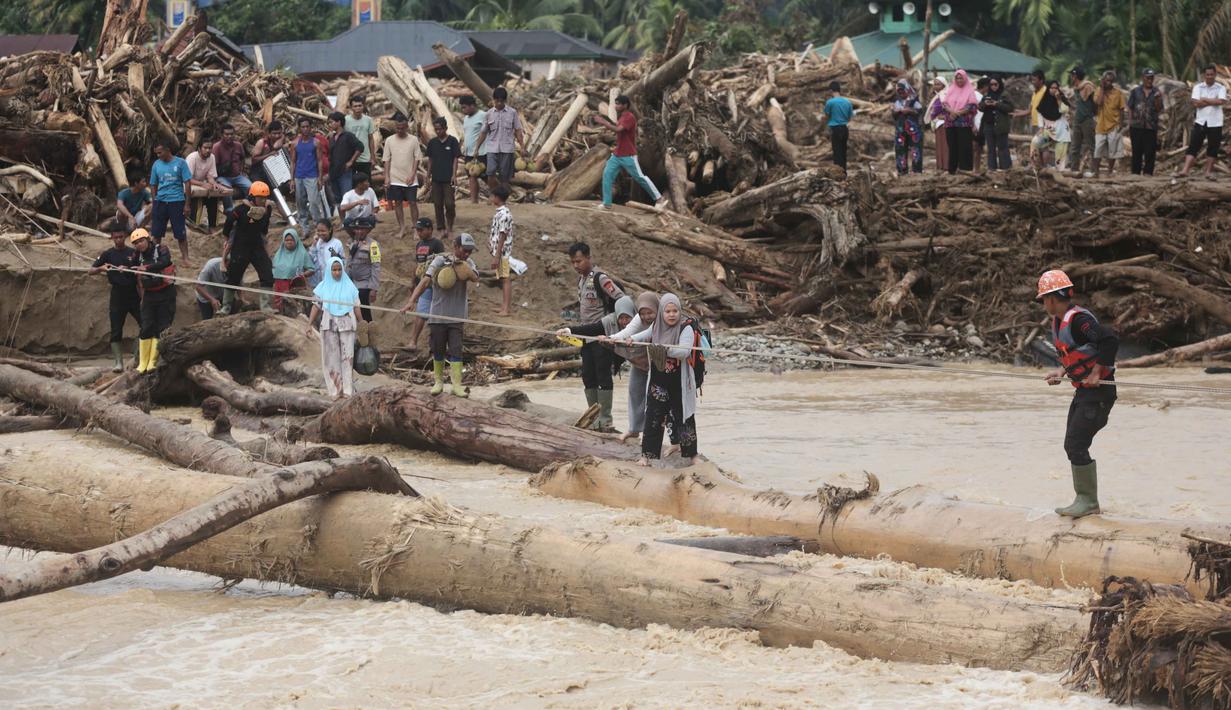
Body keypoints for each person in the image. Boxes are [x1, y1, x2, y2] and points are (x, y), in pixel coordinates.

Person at [1037, 269, 1119, 518]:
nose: (1043, 304)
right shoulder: (1060, 321)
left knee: (1076, 444)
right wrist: (1061, 372)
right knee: (1071, 444)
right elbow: (1075, 353)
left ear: (1051, 298)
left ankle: (1088, 502)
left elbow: (1110, 340)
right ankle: (1085, 500)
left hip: (1099, 394)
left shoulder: (1079, 321)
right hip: (1084, 393)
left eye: (1043, 299)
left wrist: (1096, 373)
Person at [401, 233, 480, 397]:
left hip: (456, 316)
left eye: (469, 251)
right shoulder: (439, 261)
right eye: (464, 250)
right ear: (456, 247)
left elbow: (475, 278)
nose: (467, 254)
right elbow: (425, 281)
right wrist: (411, 301)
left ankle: (456, 385)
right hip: (437, 314)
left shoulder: (469, 263)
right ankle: (438, 382)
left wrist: (464, 268)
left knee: (456, 349)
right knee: (438, 349)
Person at [629, 293, 699, 466]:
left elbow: (684, 352)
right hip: (658, 382)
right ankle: (646, 456)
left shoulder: (686, 328)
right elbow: (643, 335)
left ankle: (692, 455)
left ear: (679, 311)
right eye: (667, 311)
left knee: (684, 417)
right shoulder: (656, 326)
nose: (671, 314)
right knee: (653, 416)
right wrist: (630, 339)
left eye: (675, 310)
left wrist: (663, 350)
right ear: (662, 312)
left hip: (679, 383)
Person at [564, 242, 626, 431]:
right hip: (586, 337)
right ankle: (593, 415)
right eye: (573, 262)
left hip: (602, 337)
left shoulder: (600, 278)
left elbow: (622, 300)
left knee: (603, 376)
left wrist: (611, 322)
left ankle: (605, 419)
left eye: (579, 261)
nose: (576, 265)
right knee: (588, 376)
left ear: (589, 258)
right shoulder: (581, 281)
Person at [602, 291, 660, 442]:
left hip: (660, 364)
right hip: (642, 362)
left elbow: (649, 333)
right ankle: (634, 429)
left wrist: (631, 339)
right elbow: (627, 331)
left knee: (652, 398)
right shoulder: (638, 318)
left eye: (650, 313)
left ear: (657, 309)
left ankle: (651, 435)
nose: (647, 316)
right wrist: (611, 338)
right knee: (634, 392)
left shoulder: (663, 318)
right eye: (643, 313)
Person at [307, 256, 363, 399]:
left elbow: (357, 306)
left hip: (347, 325)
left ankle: (348, 391)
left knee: (347, 357)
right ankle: (334, 390)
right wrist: (309, 323)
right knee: (330, 358)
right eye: (334, 270)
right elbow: (316, 306)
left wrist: (362, 323)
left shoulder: (350, 287)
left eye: (339, 269)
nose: (337, 273)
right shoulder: (323, 287)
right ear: (329, 270)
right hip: (329, 325)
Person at [595, 95, 664, 209]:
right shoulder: (621, 117)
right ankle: (607, 203)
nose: (616, 106)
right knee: (607, 175)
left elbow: (618, 130)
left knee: (640, 178)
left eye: (618, 104)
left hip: (628, 155)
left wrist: (604, 122)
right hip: (617, 155)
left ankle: (659, 199)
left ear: (625, 105)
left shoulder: (629, 117)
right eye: (615, 103)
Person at [89, 220, 141, 371]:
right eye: (115, 237)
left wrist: (129, 268)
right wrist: (102, 268)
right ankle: (118, 363)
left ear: (125, 236)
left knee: (145, 324)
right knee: (116, 329)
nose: (118, 239)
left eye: (121, 236)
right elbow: (90, 270)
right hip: (117, 294)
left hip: (133, 294)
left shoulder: (133, 253)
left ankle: (137, 357)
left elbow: (141, 270)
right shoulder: (107, 254)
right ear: (111, 237)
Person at [219, 181, 275, 315]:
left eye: (265, 197)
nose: (263, 200)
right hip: (240, 246)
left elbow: (265, 227)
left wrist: (264, 238)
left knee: (267, 273)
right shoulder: (241, 210)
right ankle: (225, 307)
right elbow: (229, 222)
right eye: (260, 197)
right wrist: (227, 238)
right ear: (252, 197)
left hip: (257, 246)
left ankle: (266, 306)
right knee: (233, 275)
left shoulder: (267, 209)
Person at [129, 227, 176, 374]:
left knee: (162, 327)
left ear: (148, 239)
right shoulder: (137, 255)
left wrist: (147, 268)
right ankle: (143, 362)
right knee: (146, 326)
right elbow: (132, 265)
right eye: (136, 243)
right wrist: (126, 267)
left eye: (141, 241)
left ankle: (154, 362)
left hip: (165, 293)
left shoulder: (161, 249)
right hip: (149, 294)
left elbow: (165, 262)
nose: (139, 245)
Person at [1177, 64, 1227, 178]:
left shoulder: (1221, 88)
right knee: (1194, 145)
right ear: (1204, 75)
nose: (1209, 77)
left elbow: (1221, 102)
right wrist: (1212, 101)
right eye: (1207, 74)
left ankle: (1208, 172)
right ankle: (1185, 170)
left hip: (1215, 122)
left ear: (1215, 75)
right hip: (1201, 121)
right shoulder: (1198, 87)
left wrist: (1204, 99)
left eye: (1212, 74)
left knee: (1213, 147)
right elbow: (1195, 103)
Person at [148, 142, 192, 263]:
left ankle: (185, 258)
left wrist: (187, 204)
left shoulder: (181, 163)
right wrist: (155, 200)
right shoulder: (156, 164)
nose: (158, 155)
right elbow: (153, 184)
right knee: (156, 233)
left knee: (180, 233)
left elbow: (187, 183)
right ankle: (153, 257)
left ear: (167, 150)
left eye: (160, 152)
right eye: (156, 153)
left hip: (177, 201)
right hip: (161, 202)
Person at [476, 87, 526, 190]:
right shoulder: (489, 114)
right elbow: (483, 132)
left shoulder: (512, 113)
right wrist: (477, 148)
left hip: (507, 149)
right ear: (493, 100)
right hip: (491, 148)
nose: (499, 103)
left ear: (505, 101)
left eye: (501, 101)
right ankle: (493, 194)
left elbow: (518, 130)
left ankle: (503, 197)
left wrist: (522, 147)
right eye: (497, 101)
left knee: (504, 175)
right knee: (490, 172)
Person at [408, 217, 445, 350]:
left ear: (430, 229)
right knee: (421, 313)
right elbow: (417, 264)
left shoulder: (437, 244)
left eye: (421, 230)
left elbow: (441, 263)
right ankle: (413, 341)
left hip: (433, 284)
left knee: (434, 315)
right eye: (417, 230)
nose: (418, 232)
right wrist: (413, 281)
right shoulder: (419, 245)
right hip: (422, 284)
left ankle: (434, 343)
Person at [382, 112, 420, 239]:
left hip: (410, 178)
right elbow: (386, 159)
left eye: (402, 128)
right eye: (398, 128)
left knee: (413, 202)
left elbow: (417, 158)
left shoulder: (413, 140)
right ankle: (402, 228)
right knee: (397, 202)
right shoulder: (389, 140)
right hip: (394, 177)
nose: (400, 130)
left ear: (407, 127)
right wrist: (386, 177)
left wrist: (413, 174)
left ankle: (415, 228)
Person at [933, 69, 978, 174]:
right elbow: (945, 104)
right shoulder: (951, 90)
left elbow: (971, 105)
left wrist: (957, 113)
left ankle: (965, 169)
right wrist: (952, 112)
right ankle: (952, 170)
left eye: (961, 78)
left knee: (965, 147)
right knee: (952, 146)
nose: (959, 80)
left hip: (964, 124)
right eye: (957, 78)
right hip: (951, 123)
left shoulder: (969, 91)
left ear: (965, 78)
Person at [425, 116, 461, 237]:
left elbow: (455, 159)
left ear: (445, 128)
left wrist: (454, 175)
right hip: (436, 178)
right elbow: (430, 160)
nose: (438, 131)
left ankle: (450, 226)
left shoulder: (453, 141)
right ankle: (441, 228)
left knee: (450, 203)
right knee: (438, 203)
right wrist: (427, 175)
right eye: (436, 129)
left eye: (440, 129)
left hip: (448, 178)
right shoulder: (432, 143)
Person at [1126, 69, 1166, 176]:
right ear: (1143, 78)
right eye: (1147, 77)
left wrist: (1157, 99)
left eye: (1151, 78)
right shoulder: (1135, 92)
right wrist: (1130, 122)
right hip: (1136, 125)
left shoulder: (1157, 92)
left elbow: (1159, 109)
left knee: (1150, 151)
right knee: (1136, 150)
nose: (1149, 80)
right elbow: (1130, 107)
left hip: (1151, 126)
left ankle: (1148, 172)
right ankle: (1135, 172)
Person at [288, 117, 326, 227]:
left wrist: (320, 177)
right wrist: (292, 179)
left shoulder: (316, 143)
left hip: (312, 176)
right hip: (299, 176)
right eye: (303, 127)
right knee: (300, 203)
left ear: (311, 128)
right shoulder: (295, 143)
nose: (305, 129)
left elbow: (319, 160)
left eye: (307, 126)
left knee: (314, 202)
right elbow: (293, 162)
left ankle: (318, 225)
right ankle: (304, 227)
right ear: (299, 128)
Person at [186, 139, 230, 232]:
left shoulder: (212, 157)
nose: (208, 150)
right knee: (198, 198)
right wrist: (203, 184)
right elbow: (187, 179)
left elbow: (210, 176)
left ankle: (212, 226)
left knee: (214, 196)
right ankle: (194, 225)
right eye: (205, 148)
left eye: (210, 148)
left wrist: (214, 184)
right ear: (199, 149)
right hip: (187, 185)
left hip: (200, 184)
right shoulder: (192, 158)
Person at [346, 216, 381, 323]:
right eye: (357, 229)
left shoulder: (373, 245)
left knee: (364, 314)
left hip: (364, 285)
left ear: (367, 230)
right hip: (352, 284)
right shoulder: (352, 243)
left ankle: (369, 335)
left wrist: (373, 288)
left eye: (362, 229)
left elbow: (376, 266)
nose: (359, 231)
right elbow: (349, 263)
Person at [272, 227, 315, 313]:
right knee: (280, 308)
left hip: (295, 286)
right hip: (280, 285)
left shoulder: (302, 253)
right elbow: (273, 270)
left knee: (294, 309)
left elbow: (312, 269)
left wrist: (303, 275)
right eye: (286, 240)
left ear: (296, 240)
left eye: (291, 240)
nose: (289, 242)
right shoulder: (278, 254)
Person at [1093, 71, 1127, 178]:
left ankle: (1109, 171)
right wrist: (1102, 89)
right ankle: (1096, 172)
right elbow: (1099, 103)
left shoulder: (1118, 93)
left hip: (1114, 125)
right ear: (1103, 80)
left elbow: (1122, 109)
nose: (1109, 83)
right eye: (1107, 80)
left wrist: (1121, 124)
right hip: (1101, 125)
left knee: (1113, 151)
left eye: (1111, 81)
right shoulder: (1098, 91)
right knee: (1098, 149)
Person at [326, 111, 363, 208]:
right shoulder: (332, 138)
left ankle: (351, 220)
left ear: (339, 122)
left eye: (331, 122)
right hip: (334, 171)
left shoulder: (348, 136)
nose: (330, 124)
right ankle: (343, 221)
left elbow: (360, 147)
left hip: (345, 171)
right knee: (338, 199)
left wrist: (351, 161)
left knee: (347, 196)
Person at [1031, 80, 1071, 170]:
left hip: (1062, 128)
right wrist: (1041, 127)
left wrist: (1058, 99)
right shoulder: (1045, 99)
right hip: (1049, 128)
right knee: (1038, 143)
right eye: (1051, 88)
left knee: (1060, 150)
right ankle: (1041, 167)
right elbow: (1040, 113)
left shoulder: (1061, 98)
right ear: (1048, 89)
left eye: (1056, 88)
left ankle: (1060, 170)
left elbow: (1064, 110)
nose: (1054, 90)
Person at [212, 124, 250, 211]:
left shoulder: (238, 145)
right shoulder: (217, 147)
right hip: (223, 176)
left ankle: (248, 207)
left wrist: (242, 170)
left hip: (237, 176)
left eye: (231, 134)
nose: (229, 136)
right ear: (222, 135)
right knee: (227, 191)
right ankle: (229, 210)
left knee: (250, 187)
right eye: (227, 134)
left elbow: (243, 158)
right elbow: (213, 165)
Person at [488, 185, 514, 317]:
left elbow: (503, 235)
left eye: (493, 196)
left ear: (497, 198)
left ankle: (506, 308)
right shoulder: (501, 213)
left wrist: (497, 255)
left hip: (502, 253)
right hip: (500, 251)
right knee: (503, 278)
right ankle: (504, 306)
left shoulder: (504, 214)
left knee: (505, 279)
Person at [979, 76, 1014, 171]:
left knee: (1003, 148)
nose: (993, 86)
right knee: (990, 149)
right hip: (988, 124)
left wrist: (996, 104)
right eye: (991, 84)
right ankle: (992, 169)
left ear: (999, 84)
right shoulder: (987, 95)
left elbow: (1010, 108)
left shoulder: (1004, 94)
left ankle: (1005, 168)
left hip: (1001, 125)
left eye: (995, 84)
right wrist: (985, 104)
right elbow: (980, 107)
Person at [1067, 67, 1097, 175]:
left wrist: (1092, 114)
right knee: (1075, 146)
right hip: (1077, 120)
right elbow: (1077, 105)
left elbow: (1095, 103)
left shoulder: (1088, 87)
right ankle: (1074, 170)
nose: (1071, 77)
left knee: (1091, 146)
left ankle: (1095, 171)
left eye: (1072, 75)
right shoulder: (1076, 88)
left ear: (1075, 76)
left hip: (1087, 120)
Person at [891, 79, 924, 175]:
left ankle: (916, 170)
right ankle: (902, 170)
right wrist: (896, 111)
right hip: (900, 130)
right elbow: (894, 115)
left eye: (902, 91)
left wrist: (910, 110)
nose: (901, 93)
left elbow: (919, 111)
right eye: (899, 92)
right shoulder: (897, 102)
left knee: (915, 149)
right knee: (900, 150)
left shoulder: (914, 101)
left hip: (914, 131)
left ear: (907, 89)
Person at [460, 95, 487, 203]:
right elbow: (467, 134)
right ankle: (474, 201)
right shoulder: (466, 118)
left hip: (482, 152)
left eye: (464, 107)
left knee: (486, 176)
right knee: (471, 176)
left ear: (472, 105)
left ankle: (499, 196)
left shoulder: (483, 115)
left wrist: (477, 148)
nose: (463, 110)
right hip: (469, 153)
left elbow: (485, 132)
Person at [823, 81, 854, 173]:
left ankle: (838, 173)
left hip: (835, 129)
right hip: (844, 129)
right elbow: (849, 117)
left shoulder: (830, 102)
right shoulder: (848, 102)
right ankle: (844, 172)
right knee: (843, 151)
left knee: (837, 153)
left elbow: (826, 115)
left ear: (831, 90)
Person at [345, 96, 377, 180]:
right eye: (355, 106)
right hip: (350, 157)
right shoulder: (346, 120)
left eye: (360, 105)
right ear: (351, 107)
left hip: (365, 158)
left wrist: (373, 157)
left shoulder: (368, 120)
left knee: (366, 183)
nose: (358, 108)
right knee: (351, 184)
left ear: (363, 106)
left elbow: (371, 139)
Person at [307, 218, 345, 289]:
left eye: (323, 231)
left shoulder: (337, 243)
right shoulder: (317, 242)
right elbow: (311, 259)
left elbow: (343, 261)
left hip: (333, 278)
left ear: (330, 230)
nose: (320, 233)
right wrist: (313, 245)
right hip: (320, 278)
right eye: (318, 231)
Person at [194, 252, 229, 320]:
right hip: (206, 297)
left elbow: (238, 282)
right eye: (229, 265)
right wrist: (212, 299)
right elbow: (198, 287)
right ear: (225, 262)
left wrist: (242, 297)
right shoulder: (210, 267)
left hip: (222, 294)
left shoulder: (236, 265)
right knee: (207, 320)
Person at [929, 76, 949, 172]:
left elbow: (945, 108)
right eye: (935, 84)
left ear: (943, 85)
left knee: (944, 145)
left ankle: (946, 165)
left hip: (944, 123)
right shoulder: (937, 96)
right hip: (938, 123)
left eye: (938, 84)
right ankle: (940, 166)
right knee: (939, 145)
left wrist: (942, 116)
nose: (936, 86)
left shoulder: (944, 95)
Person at [972, 76, 989, 173]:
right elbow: (971, 113)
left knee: (978, 149)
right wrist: (973, 125)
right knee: (975, 148)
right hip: (976, 125)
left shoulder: (983, 97)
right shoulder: (975, 96)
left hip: (981, 125)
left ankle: (976, 169)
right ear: (985, 86)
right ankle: (974, 169)